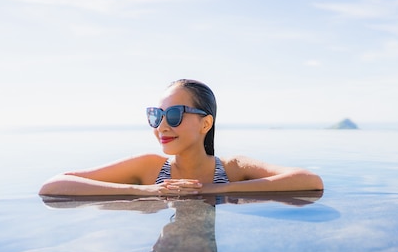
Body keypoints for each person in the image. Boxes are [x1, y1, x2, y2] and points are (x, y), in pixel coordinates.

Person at [39, 79, 324, 197]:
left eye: (173, 114)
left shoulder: (233, 168)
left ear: (205, 124)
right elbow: (53, 185)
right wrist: (144, 192)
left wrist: (214, 190)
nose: (162, 125)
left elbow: (310, 181)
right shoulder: (149, 169)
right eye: (156, 115)